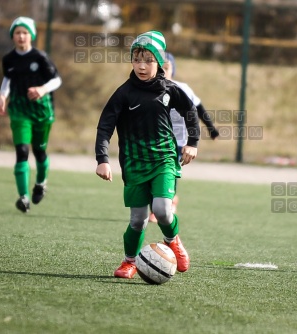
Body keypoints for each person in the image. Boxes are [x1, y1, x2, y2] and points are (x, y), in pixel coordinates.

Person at [94, 31, 200, 278]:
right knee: (138, 219)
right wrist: (102, 159)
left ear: (160, 62)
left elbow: (190, 112)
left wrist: (192, 142)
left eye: (149, 60)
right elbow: (105, 126)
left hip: (164, 158)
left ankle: (173, 240)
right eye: (137, 59)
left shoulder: (169, 89)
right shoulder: (123, 93)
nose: (142, 66)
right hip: (134, 163)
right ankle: (129, 261)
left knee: (162, 210)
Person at [0, 16, 62, 213]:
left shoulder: (40, 57)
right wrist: (2, 96)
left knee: (39, 151)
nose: (21, 36)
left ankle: (41, 183)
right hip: (19, 110)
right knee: (22, 151)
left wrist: (42, 89)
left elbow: (56, 80)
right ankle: (23, 197)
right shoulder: (8, 59)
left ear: (31, 35)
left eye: (25, 33)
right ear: (13, 36)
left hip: (41, 111)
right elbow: (8, 79)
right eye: (17, 33)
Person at [147, 52, 219, 222]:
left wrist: (211, 128)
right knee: (152, 174)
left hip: (178, 141)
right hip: (156, 141)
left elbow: (199, 109)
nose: (163, 71)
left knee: (168, 173)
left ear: (173, 69)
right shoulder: (148, 90)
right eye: (160, 68)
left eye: (167, 67)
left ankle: (166, 203)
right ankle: (161, 204)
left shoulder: (182, 88)